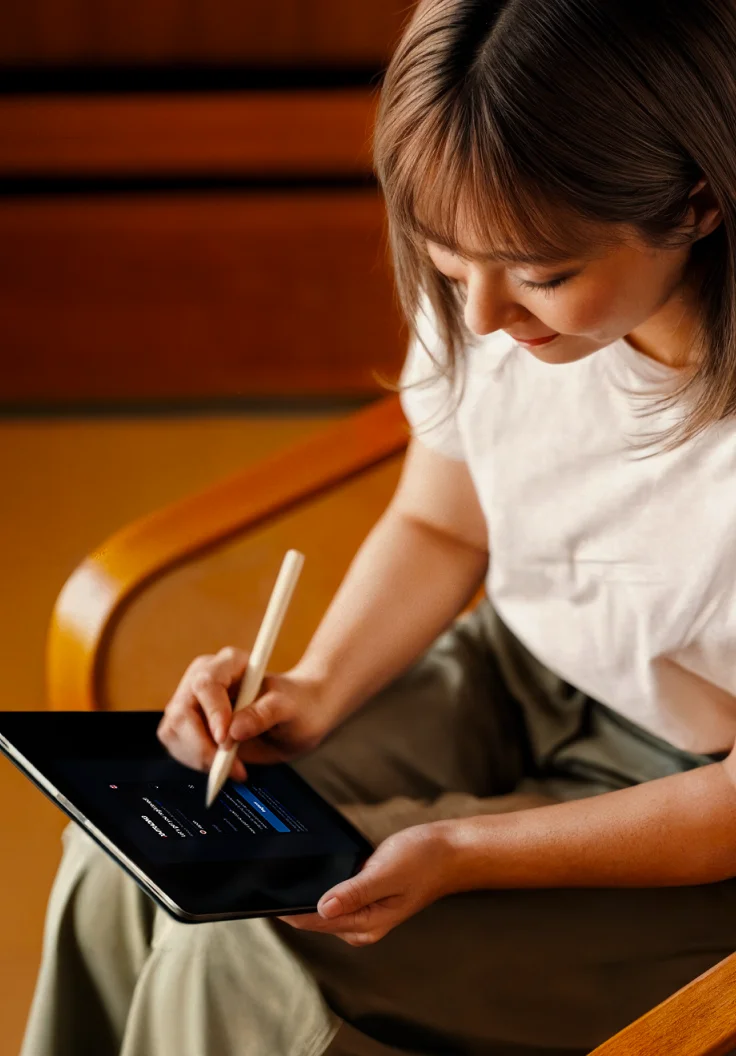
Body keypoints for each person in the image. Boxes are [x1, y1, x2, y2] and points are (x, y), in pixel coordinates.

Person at [22, 1, 736, 1053]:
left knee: (246, 939)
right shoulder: (497, 288)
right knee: (131, 844)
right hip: (516, 667)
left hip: (691, 805)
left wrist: (461, 853)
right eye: (451, 267)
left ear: (697, 203)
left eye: (541, 275)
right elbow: (444, 526)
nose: (482, 318)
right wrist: (310, 689)